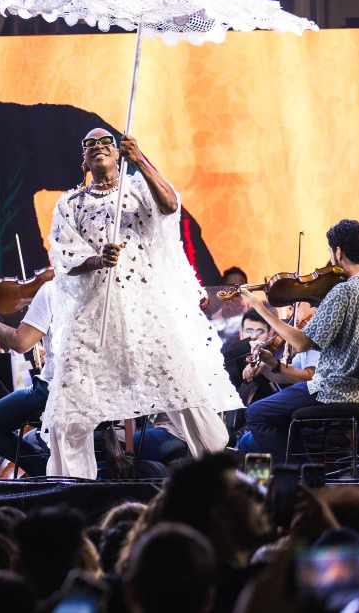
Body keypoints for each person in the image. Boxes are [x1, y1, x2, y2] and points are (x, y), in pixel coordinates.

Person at [42, 129, 240, 478]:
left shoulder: (137, 188)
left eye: (107, 143)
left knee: (184, 394)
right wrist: (96, 259)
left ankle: (218, 471)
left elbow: (169, 206)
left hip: (144, 311)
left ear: (118, 154)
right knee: (70, 410)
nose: (99, 147)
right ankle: (71, 486)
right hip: (91, 317)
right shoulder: (70, 204)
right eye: (90, 144)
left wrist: (142, 160)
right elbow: (65, 257)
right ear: (83, 159)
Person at [240, 219, 359, 461]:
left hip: (333, 392)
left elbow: (301, 343)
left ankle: (303, 474)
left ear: (338, 252)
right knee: (257, 436)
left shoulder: (343, 291)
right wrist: (275, 366)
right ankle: (300, 471)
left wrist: (261, 307)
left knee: (256, 414)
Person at [0, 281, 57, 477]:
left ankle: (42, 467)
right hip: (89, 391)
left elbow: (20, 343)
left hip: (54, 389)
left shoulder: (52, 290)